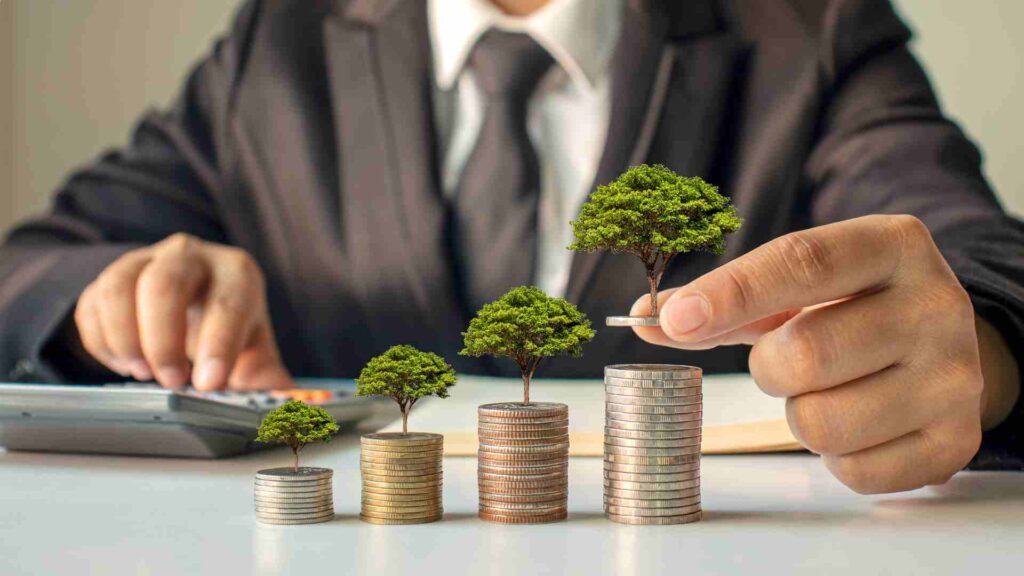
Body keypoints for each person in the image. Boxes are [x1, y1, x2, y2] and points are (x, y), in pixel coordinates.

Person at [0, 0, 1021, 493]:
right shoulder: (281, 46)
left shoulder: (813, 30)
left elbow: (968, 251)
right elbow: (33, 265)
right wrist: (110, 296)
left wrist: (981, 348)